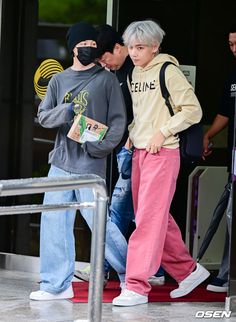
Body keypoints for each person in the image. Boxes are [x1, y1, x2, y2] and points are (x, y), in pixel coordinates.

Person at [112, 19, 210, 307]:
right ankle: (187, 270)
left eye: (140, 47)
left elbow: (193, 110)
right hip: (140, 151)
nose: (134, 53)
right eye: (130, 47)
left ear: (155, 47)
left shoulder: (169, 71)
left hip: (163, 152)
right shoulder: (133, 75)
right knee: (154, 217)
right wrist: (132, 135)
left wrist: (163, 131)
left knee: (148, 220)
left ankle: (136, 286)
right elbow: (142, 114)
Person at [29, 21, 129, 301]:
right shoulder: (59, 80)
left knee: (100, 223)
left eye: (91, 46)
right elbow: (44, 115)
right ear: (73, 47)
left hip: (90, 164)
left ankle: (131, 273)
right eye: (82, 45)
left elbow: (118, 122)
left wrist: (100, 148)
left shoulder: (106, 78)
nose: (87, 49)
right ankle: (56, 285)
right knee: (54, 222)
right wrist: (68, 110)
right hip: (60, 162)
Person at [74, 24, 165, 287]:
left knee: (131, 213)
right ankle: (116, 269)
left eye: (105, 59)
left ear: (118, 48)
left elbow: (142, 114)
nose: (105, 65)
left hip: (138, 149)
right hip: (124, 150)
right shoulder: (115, 74)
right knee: (123, 213)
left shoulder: (139, 72)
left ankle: (145, 270)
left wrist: (128, 142)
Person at [203, 23, 236, 293]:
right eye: (231, 45)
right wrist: (208, 135)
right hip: (235, 160)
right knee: (229, 215)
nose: (234, 50)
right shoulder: (232, 74)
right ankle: (226, 273)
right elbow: (225, 113)